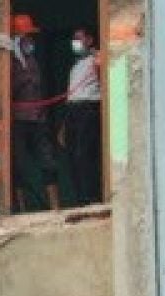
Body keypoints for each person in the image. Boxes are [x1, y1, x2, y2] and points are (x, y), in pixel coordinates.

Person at [8, 14, 61, 213]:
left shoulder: (33, 60)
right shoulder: (10, 61)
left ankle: (55, 207)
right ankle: (21, 209)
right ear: (18, 38)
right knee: (19, 167)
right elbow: (9, 90)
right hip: (20, 121)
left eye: (31, 36)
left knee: (49, 162)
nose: (31, 40)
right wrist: (23, 80)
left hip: (38, 119)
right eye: (27, 36)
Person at [58, 28, 103, 206]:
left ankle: (91, 196)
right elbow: (71, 95)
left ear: (90, 40)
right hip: (72, 111)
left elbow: (103, 82)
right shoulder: (76, 65)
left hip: (88, 109)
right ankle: (80, 199)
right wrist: (63, 125)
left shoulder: (96, 59)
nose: (75, 42)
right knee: (72, 156)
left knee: (84, 154)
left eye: (79, 38)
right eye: (74, 38)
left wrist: (99, 58)